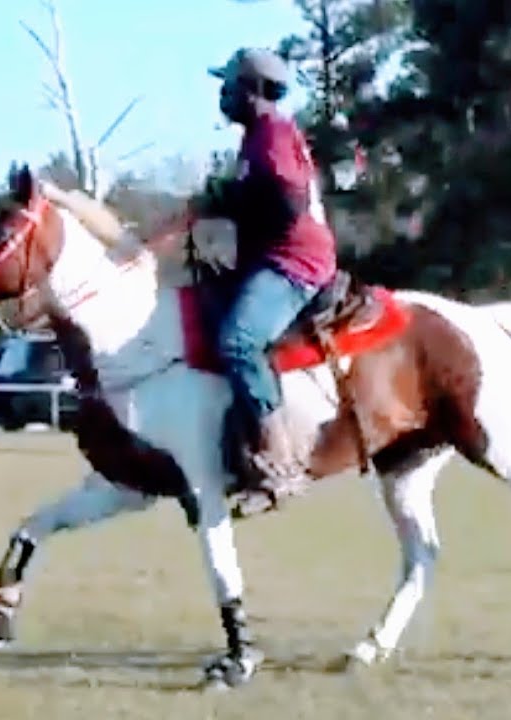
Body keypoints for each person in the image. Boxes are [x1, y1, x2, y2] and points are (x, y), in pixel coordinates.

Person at [148, 47, 338, 509]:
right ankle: (227, 454)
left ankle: (280, 459)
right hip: (267, 258)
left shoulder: (272, 135)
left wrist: (225, 200)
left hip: (296, 264)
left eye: (228, 86)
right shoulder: (256, 137)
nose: (222, 94)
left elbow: (287, 202)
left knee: (238, 341)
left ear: (251, 90)